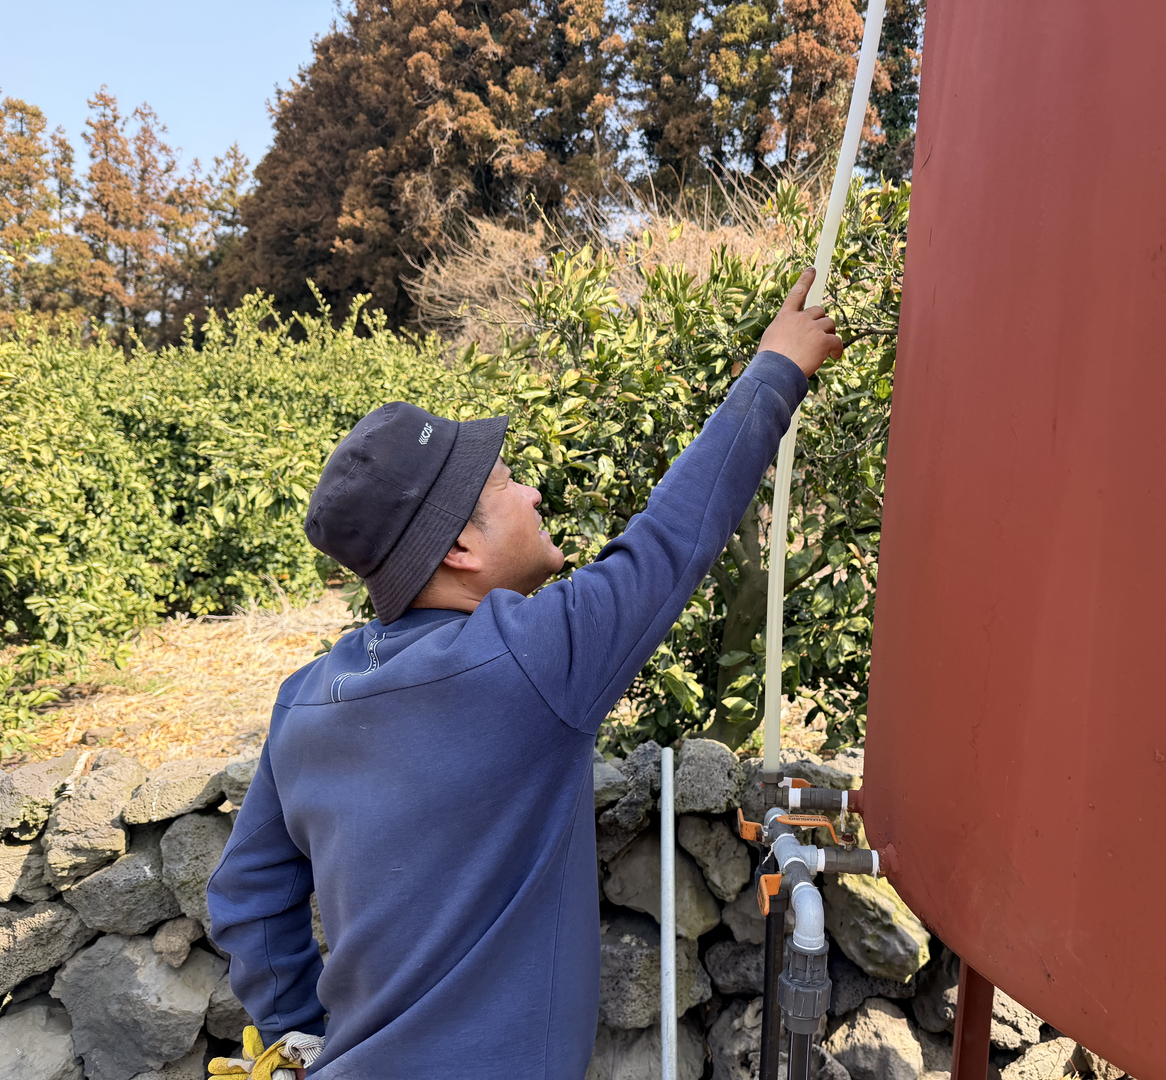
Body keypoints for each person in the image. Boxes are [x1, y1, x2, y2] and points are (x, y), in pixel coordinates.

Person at [206, 268, 843, 1078]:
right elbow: (670, 540)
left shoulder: (305, 700)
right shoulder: (525, 662)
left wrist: (300, 1028)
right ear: (461, 550)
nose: (532, 489)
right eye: (507, 483)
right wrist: (776, 370)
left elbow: (245, 893)